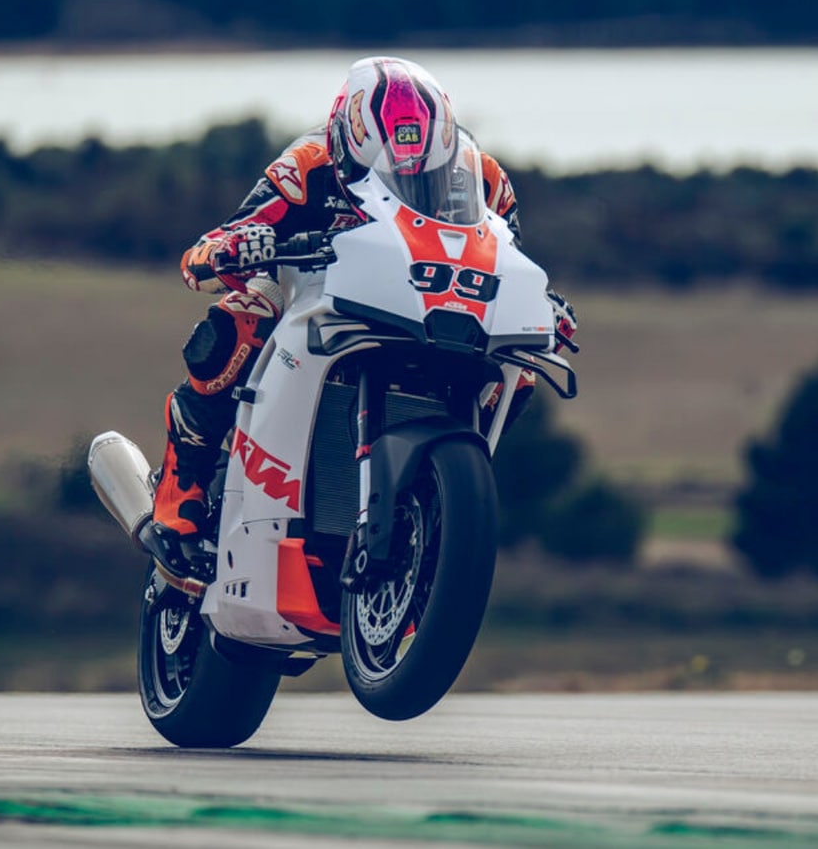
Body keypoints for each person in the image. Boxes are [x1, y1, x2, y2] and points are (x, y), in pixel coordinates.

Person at [142, 56, 576, 587]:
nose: (412, 179)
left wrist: (543, 306)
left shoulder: (486, 180)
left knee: (519, 370)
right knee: (242, 317)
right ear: (348, 140)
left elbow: (507, 256)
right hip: (319, 296)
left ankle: (444, 495)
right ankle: (180, 494)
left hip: (428, 304)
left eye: (426, 174)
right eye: (394, 169)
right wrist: (231, 248)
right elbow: (218, 243)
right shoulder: (305, 166)